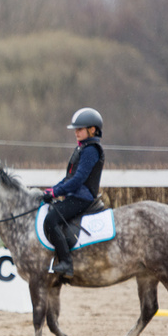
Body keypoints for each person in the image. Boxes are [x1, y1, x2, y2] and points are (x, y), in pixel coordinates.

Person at [41, 107, 105, 279]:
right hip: (75, 195)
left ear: (92, 130)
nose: (76, 133)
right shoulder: (82, 148)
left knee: (51, 220)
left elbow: (78, 180)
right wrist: (52, 189)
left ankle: (66, 263)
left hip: (82, 198)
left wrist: (56, 192)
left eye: (80, 129)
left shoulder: (91, 150)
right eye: (75, 129)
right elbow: (68, 178)